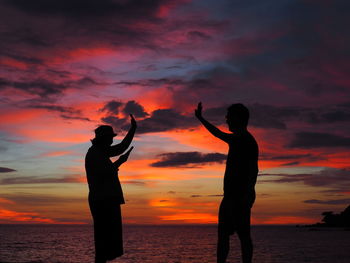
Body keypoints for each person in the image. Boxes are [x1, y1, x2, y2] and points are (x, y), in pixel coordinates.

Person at [195, 102, 258, 263]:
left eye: (229, 117)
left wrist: (247, 194)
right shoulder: (240, 139)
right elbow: (218, 133)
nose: (226, 120)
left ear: (238, 118)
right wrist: (201, 118)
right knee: (225, 235)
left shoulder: (245, 140)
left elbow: (253, 170)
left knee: (242, 236)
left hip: (239, 197)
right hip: (231, 196)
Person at [85, 115, 137, 263]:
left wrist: (133, 129)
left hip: (106, 199)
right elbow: (104, 174)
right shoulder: (95, 153)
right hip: (102, 200)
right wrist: (120, 162)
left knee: (107, 240)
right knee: (103, 240)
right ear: (103, 139)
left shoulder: (100, 152)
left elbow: (121, 148)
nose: (112, 141)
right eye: (110, 138)